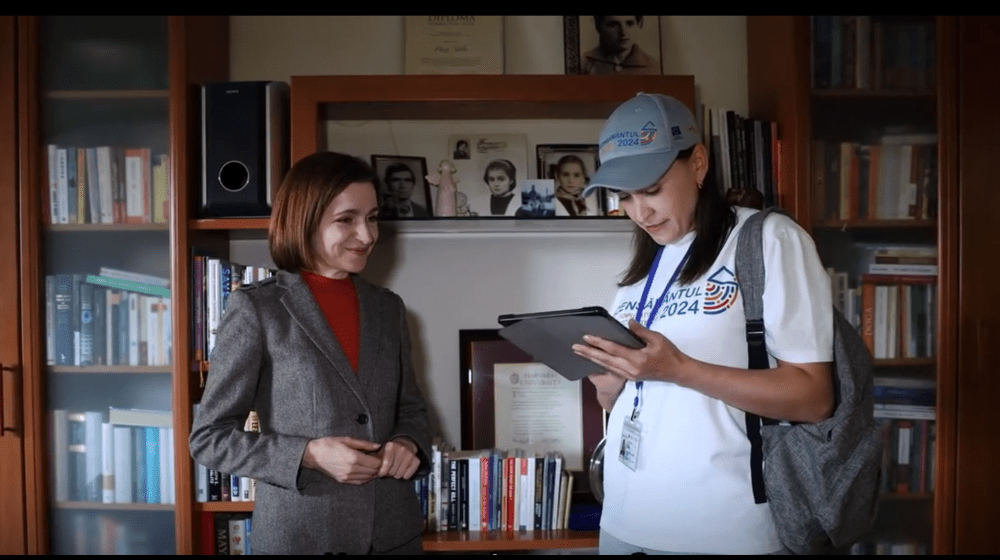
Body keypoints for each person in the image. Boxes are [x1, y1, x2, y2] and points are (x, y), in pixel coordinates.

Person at [570, 93, 835, 555]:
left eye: (651, 190)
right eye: (626, 197)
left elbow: (813, 398)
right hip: (623, 525)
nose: (640, 213)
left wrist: (680, 369)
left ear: (697, 163)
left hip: (724, 532)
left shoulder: (768, 241)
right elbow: (629, 401)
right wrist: (609, 383)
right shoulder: (639, 276)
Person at [189, 151, 432, 555]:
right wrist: (309, 455)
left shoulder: (389, 307)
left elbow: (412, 411)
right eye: (346, 220)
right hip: (301, 538)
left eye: (372, 218)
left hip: (394, 536)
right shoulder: (257, 309)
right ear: (304, 221)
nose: (368, 235)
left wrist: (407, 444)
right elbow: (210, 439)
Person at [581, 16, 660, 75]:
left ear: (640, 24)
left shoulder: (653, 66)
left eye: (630, 23)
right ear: (598, 26)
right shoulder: (584, 64)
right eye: (613, 25)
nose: (623, 32)